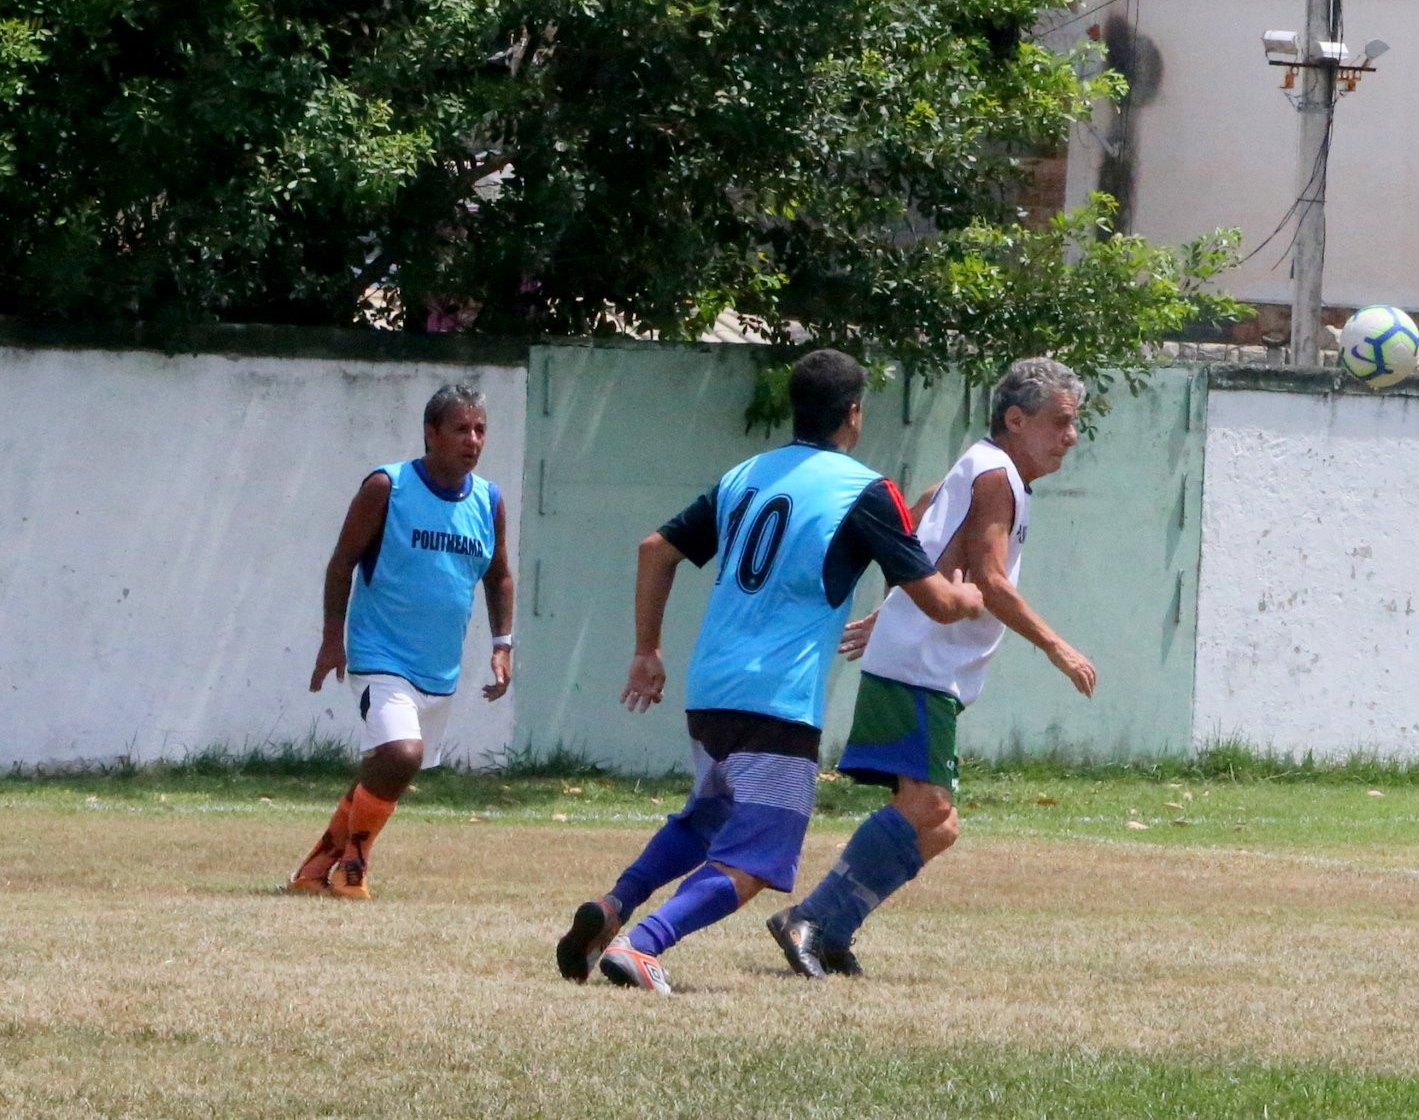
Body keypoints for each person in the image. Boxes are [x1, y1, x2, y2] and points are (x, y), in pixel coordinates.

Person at [555, 349, 984, 993]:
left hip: (711, 688)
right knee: (759, 856)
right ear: (854, 413)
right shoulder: (863, 491)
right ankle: (645, 945)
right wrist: (975, 595)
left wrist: (648, 649)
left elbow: (656, 550)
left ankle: (616, 906)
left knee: (707, 820)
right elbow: (939, 603)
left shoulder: (746, 475)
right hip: (778, 702)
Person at [767, 357, 1097, 978]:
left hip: (921, 661)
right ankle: (808, 918)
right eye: (1060, 422)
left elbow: (919, 518)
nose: (1070, 437)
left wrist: (890, 608)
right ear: (1016, 419)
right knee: (930, 813)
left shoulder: (982, 466)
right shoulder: (996, 474)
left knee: (938, 825)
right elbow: (991, 582)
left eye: (1074, 424)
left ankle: (828, 930)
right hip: (920, 666)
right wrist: (1057, 646)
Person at [287, 383, 516, 899]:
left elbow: (499, 575)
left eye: (480, 429)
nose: (473, 439)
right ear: (431, 433)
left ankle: (314, 868)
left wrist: (502, 642)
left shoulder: (488, 500)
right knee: (401, 753)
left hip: (439, 668)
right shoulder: (387, 488)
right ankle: (354, 867)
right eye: (461, 428)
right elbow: (342, 562)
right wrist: (332, 639)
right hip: (379, 655)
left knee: (388, 769)